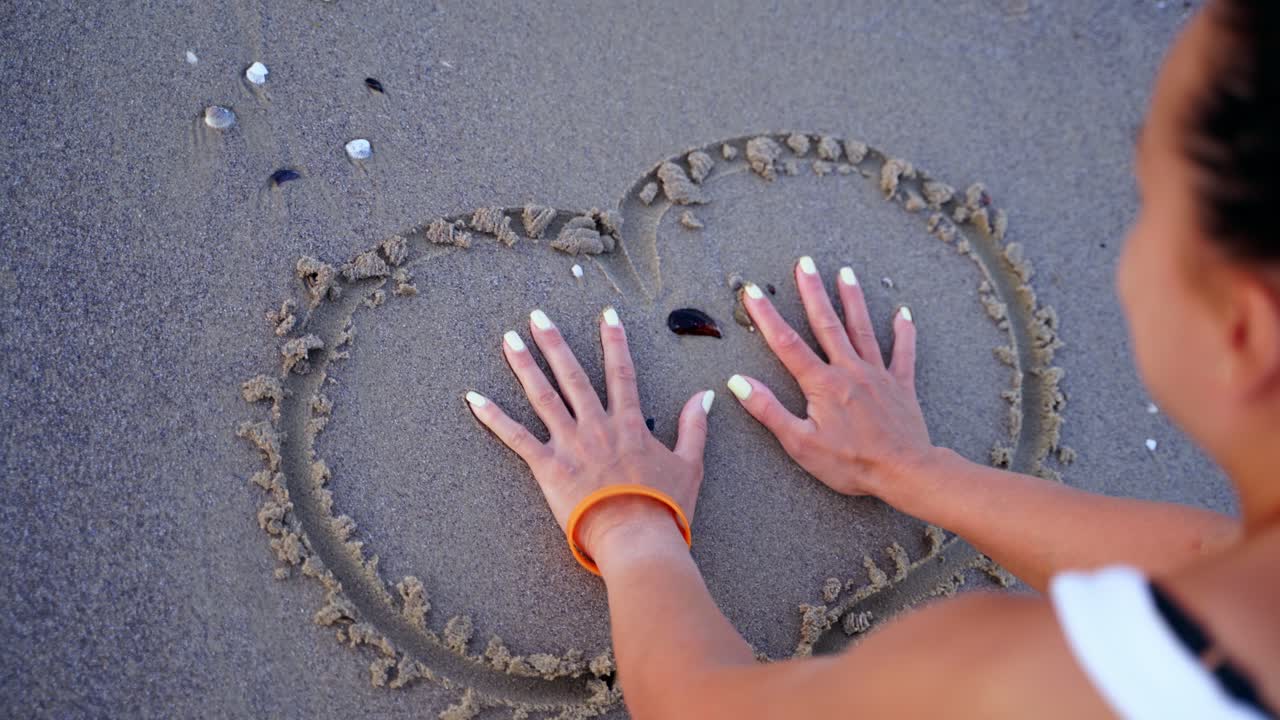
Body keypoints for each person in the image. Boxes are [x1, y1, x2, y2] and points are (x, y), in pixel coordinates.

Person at [463, 1, 1279, 716]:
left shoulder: (1019, 681)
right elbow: (1202, 564)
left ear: (1246, 329)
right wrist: (916, 470)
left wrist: (633, 525)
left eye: (1147, 199)